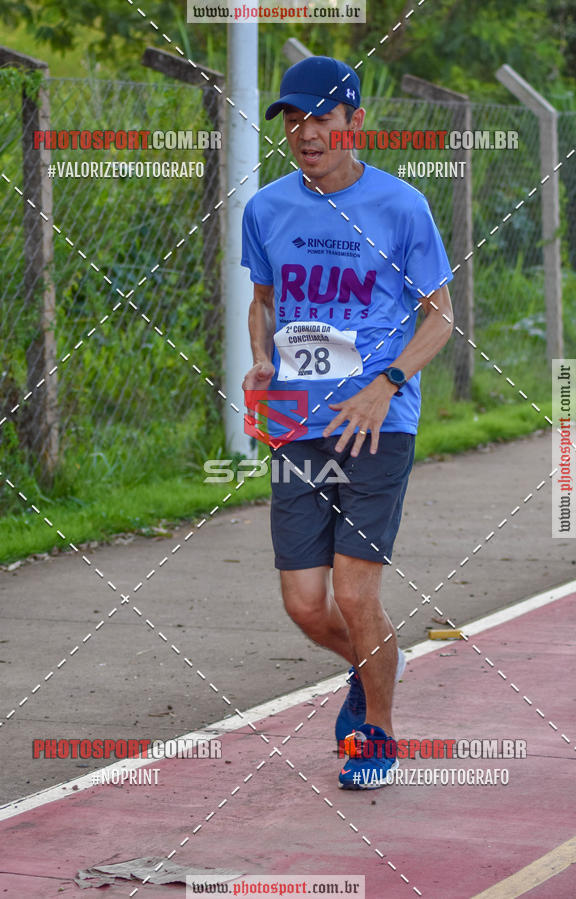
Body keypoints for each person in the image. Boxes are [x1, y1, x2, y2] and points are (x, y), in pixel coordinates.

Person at [240, 56, 454, 789]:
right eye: (294, 121)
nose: (304, 133)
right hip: (298, 418)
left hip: (378, 422)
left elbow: (441, 317)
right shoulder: (266, 208)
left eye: (320, 120)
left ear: (353, 123)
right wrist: (262, 359)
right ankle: (372, 666)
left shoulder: (401, 207)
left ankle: (379, 733)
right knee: (305, 604)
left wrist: (386, 383)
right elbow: (263, 300)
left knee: (356, 594)